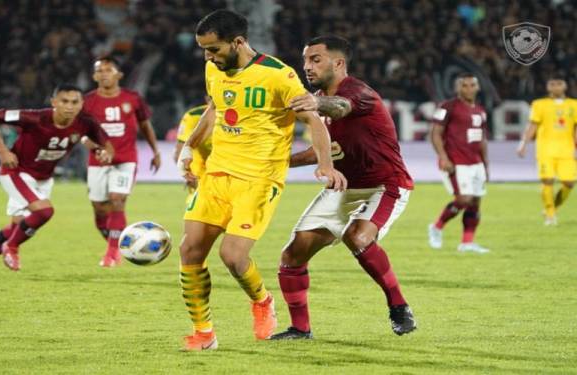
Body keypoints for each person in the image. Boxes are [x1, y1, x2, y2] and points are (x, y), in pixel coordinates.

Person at [175, 10, 346, 351]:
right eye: (204, 50)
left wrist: (325, 165)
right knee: (189, 250)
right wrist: (189, 148)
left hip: (258, 179)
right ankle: (204, 332)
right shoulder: (214, 69)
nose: (208, 57)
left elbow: (313, 121)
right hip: (217, 173)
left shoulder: (278, 76)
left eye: (214, 49)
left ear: (238, 42)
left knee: (233, 257)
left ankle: (263, 301)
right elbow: (214, 110)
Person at [266, 36, 416, 340]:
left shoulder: (358, 93)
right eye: (306, 59)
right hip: (344, 187)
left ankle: (399, 307)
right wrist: (277, 162)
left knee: (357, 236)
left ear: (339, 62)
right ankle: (300, 329)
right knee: (292, 256)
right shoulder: (319, 99)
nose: (307, 66)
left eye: (315, 59)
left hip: (384, 186)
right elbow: (323, 151)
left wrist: (316, 102)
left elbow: (341, 106)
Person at [0, 84, 113, 278]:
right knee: (44, 211)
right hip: (17, 172)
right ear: (54, 102)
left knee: (18, 228)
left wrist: (102, 152)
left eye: (75, 102)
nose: (69, 106)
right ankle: (12, 247)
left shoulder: (86, 122)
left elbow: (101, 144)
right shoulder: (34, 118)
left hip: (43, 178)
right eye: (64, 101)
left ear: (82, 104)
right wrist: (2, 150)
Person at [82, 56, 161, 267]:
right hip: (98, 161)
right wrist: (96, 148)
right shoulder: (87, 102)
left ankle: (112, 253)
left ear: (119, 74)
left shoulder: (132, 98)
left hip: (125, 159)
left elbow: (145, 125)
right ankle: (115, 242)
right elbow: (81, 134)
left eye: (109, 69)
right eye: (100, 70)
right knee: (100, 208)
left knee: (117, 200)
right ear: (94, 76)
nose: (104, 73)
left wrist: (155, 151)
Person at [427, 73, 490, 253]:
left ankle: (467, 242)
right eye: (464, 85)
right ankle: (436, 227)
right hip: (456, 161)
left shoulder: (480, 110)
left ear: (478, 87)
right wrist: (444, 158)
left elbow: (483, 139)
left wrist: (486, 164)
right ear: (458, 88)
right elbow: (435, 133)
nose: (469, 89)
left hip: (476, 162)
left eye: (472, 85)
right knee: (463, 199)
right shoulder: (448, 107)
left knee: (475, 202)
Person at [517, 76, 577, 225]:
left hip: (567, 151)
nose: (555, 87)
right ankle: (550, 215)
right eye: (552, 84)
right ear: (547, 87)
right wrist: (523, 144)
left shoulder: (574, 105)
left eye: (559, 84)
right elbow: (533, 126)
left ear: (565, 86)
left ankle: (552, 208)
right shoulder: (539, 104)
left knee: (569, 183)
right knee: (548, 180)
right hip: (545, 150)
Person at [173, 97, 212, 204]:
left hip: (227, 166)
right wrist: (186, 172)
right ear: (207, 98)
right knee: (198, 207)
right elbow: (180, 149)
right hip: (200, 166)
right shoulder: (193, 116)